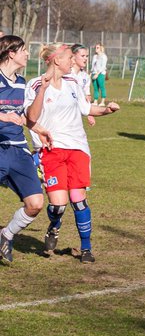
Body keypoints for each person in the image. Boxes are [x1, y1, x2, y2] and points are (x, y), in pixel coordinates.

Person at [26, 44, 120, 263]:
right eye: (70, 57)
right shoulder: (35, 84)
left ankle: (86, 248)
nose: (73, 61)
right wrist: (43, 89)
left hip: (78, 148)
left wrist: (106, 110)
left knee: (78, 199)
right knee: (58, 204)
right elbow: (30, 117)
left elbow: (87, 110)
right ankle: (54, 226)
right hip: (51, 150)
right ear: (56, 60)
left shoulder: (73, 83)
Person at [0, 36, 51, 266]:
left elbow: (21, 116)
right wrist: (3, 116)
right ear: (10, 53)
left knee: (36, 203)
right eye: (23, 50)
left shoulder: (21, 82)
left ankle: (6, 235)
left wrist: (39, 129)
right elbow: (8, 114)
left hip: (19, 150)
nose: (27, 54)